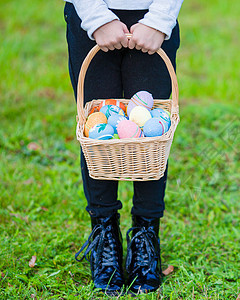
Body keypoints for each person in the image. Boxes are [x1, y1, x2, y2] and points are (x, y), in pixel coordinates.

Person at [63, 0, 183, 295]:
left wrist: (159, 19)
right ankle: (104, 232)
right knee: (97, 132)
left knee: (151, 136)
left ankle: (146, 234)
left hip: (153, 16)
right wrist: (95, 18)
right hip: (90, 16)